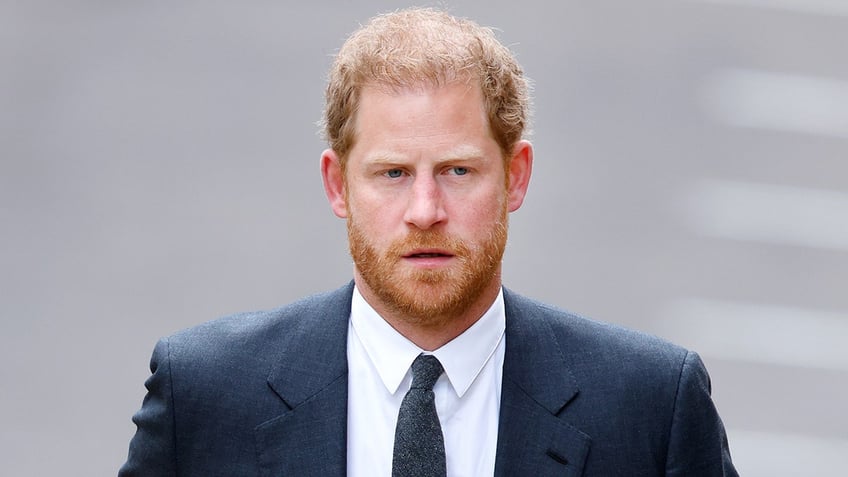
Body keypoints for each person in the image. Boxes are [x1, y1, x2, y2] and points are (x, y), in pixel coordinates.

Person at [119, 7, 737, 476]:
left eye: (457, 171)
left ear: (515, 177)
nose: (425, 211)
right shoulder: (204, 393)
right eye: (392, 174)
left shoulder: (650, 408)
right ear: (338, 185)